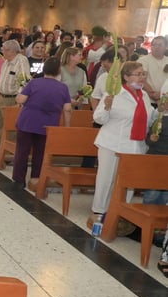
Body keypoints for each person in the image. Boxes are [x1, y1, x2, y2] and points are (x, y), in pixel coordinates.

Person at [88, 61, 155, 230]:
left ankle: (121, 212)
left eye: (143, 74)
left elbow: (149, 119)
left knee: (128, 182)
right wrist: (107, 107)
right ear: (126, 77)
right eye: (138, 74)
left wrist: (159, 113)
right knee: (106, 179)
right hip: (112, 143)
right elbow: (98, 119)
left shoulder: (144, 96)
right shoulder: (114, 93)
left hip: (135, 146)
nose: (142, 78)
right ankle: (99, 211)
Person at [12, 58, 72, 190]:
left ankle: (19, 180)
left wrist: (18, 95)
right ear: (58, 71)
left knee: (22, 151)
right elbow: (67, 108)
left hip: (28, 122)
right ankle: (36, 178)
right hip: (48, 125)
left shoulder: (34, 83)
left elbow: (21, 99)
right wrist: (67, 126)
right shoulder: (63, 87)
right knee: (40, 153)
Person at [0, 39, 31, 157]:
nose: (2, 52)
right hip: (2, 97)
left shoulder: (21, 61)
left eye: (4, 50)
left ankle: (8, 152)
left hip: (13, 98)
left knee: (11, 127)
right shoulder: (6, 61)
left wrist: (19, 102)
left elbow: (24, 81)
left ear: (11, 50)